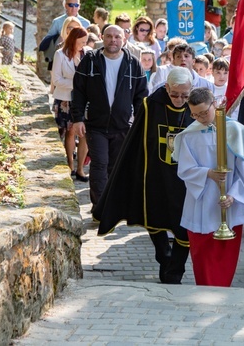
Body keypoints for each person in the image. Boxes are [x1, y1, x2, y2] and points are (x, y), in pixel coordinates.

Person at [93, 68, 194, 284]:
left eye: (185, 95)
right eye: (175, 94)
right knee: (154, 217)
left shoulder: (196, 105)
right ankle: (163, 255)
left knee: (185, 226)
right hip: (155, 175)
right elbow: (136, 141)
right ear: (166, 87)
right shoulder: (151, 105)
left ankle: (176, 269)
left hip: (187, 178)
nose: (179, 100)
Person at [173, 88, 244, 286]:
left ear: (215, 105)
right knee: (202, 252)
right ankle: (203, 288)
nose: (200, 118)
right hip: (202, 201)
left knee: (225, 254)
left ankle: (223, 289)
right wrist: (207, 173)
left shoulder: (236, 131)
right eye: (195, 114)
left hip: (229, 203)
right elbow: (185, 169)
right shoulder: (190, 135)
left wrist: (234, 195)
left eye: (204, 112)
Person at [71, 25, 148, 209]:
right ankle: (100, 208)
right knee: (99, 165)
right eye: (109, 36)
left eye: (117, 37)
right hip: (96, 124)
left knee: (115, 168)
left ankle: (113, 205)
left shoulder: (133, 63)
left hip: (122, 125)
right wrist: (78, 118)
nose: (113, 40)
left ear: (124, 40)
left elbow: (141, 96)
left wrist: (140, 121)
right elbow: (78, 92)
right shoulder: (90, 61)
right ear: (102, 38)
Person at [51, 26, 89, 182]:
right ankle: (70, 165)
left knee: (85, 133)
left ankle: (81, 169)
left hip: (84, 100)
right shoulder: (60, 54)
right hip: (66, 98)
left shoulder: (86, 53)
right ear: (74, 40)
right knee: (70, 132)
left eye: (86, 42)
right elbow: (57, 80)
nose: (84, 45)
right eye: (81, 42)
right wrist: (77, 83)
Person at [38, 0, 90, 67]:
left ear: (79, 6)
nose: (73, 8)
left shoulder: (86, 23)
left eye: (76, 5)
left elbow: (89, 41)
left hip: (80, 59)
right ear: (65, 5)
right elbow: (48, 39)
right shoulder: (57, 22)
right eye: (71, 5)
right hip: (62, 57)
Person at [149, 43, 215, 93]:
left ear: (193, 61)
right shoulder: (163, 87)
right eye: (178, 57)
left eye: (186, 56)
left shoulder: (207, 85)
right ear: (174, 61)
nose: (183, 59)